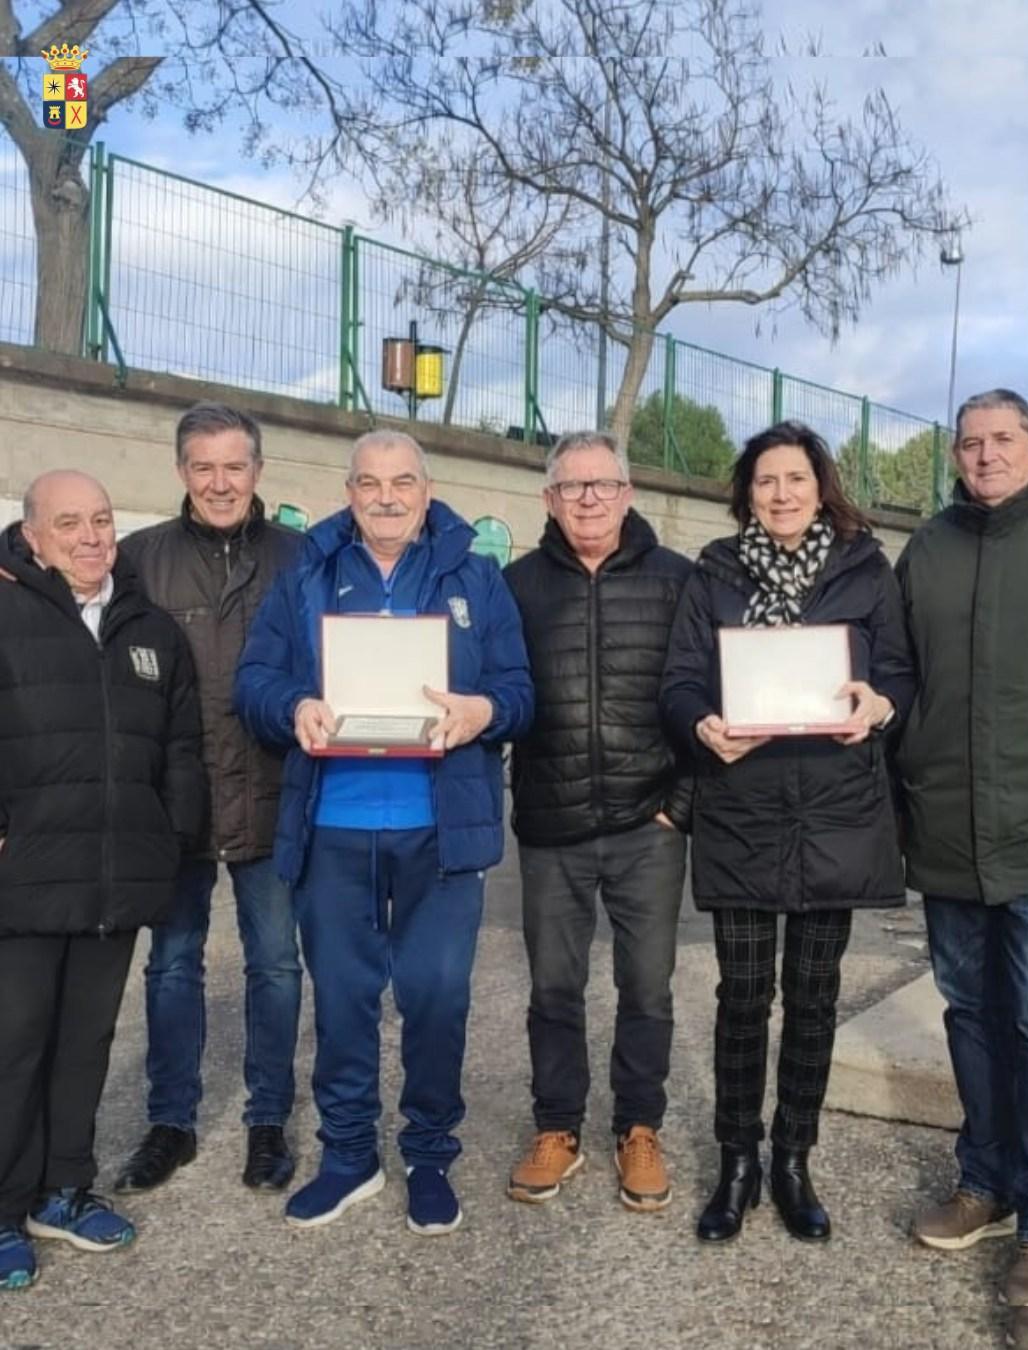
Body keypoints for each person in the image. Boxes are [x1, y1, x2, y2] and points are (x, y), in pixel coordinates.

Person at [234, 428, 532, 1236]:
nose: (387, 496)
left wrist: (483, 712)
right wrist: (293, 706)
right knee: (344, 998)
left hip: (441, 829)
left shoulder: (476, 577)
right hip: (334, 824)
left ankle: (430, 1154)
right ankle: (349, 1155)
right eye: (369, 483)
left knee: (437, 997)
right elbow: (255, 678)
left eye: (403, 481)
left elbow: (517, 690)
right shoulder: (309, 573)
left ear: (427, 491)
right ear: (350, 490)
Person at [660, 421, 913, 1244]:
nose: (781, 494)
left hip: (834, 813)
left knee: (813, 999)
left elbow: (900, 672)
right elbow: (681, 679)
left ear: (820, 485)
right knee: (743, 997)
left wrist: (879, 703)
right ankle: (737, 1158)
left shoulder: (866, 571)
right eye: (766, 480)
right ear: (747, 492)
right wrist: (701, 724)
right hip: (741, 809)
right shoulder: (716, 573)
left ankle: (793, 1158)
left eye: (795, 479)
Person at [901, 390, 1028, 1350]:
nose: (984, 455)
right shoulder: (927, 548)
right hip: (946, 831)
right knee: (968, 1013)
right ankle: (988, 1182)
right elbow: (896, 673)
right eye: (969, 443)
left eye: (1002, 439)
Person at [0, 471, 204, 1292]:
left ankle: (63, 1191)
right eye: (69, 523)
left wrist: (171, 835)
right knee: (14, 1046)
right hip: (25, 880)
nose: (90, 537)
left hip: (115, 881)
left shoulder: (148, 626)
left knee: (86, 1043)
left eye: (102, 520)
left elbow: (181, 747)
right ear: (34, 536)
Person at [113, 403, 304, 1196]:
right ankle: (172, 1122)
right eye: (204, 466)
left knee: (275, 967)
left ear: (259, 471)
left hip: (272, 793)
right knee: (173, 966)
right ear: (182, 471)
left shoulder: (303, 557)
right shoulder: (139, 559)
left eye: (235, 466)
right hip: (177, 803)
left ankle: (268, 1121)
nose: (220, 482)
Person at [502, 431, 692, 1212]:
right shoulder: (512, 586)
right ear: (548, 499)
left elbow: (703, 695)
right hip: (552, 827)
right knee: (554, 987)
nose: (587, 499)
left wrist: (680, 806)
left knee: (647, 986)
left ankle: (639, 1126)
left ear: (628, 492)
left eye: (602, 485)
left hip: (648, 825)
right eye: (571, 487)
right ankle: (558, 1127)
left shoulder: (679, 581)